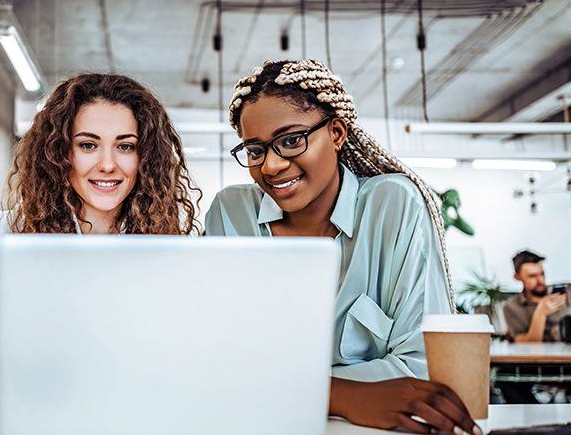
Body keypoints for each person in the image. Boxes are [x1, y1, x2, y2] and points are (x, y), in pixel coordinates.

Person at [0, 73, 201, 428]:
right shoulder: (12, 230)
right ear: (61, 152)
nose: (108, 164)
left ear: (145, 157)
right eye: (88, 145)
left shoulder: (170, 242)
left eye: (125, 146)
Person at [206, 59, 481, 435]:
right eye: (255, 150)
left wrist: (276, 387)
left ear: (336, 133)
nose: (270, 166)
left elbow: (423, 367)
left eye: (290, 141)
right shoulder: (230, 213)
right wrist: (343, 396)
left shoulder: (392, 205)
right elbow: (217, 366)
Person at [504, 250, 569, 342]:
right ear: (517, 277)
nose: (541, 281)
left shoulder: (565, 292)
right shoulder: (511, 308)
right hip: (541, 355)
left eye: (542, 274)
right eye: (532, 276)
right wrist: (541, 313)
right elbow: (528, 345)